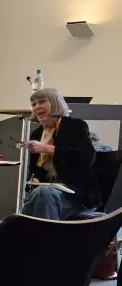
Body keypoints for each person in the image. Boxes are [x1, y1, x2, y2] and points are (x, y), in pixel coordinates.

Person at [21, 87, 100, 220]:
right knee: (35, 197)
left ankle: (42, 233)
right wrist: (35, 178)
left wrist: (47, 148)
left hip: (75, 194)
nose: (36, 107)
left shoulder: (75, 125)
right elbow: (35, 169)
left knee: (42, 195)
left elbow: (86, 157)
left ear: (55, 103)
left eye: (42, 102)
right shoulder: (37, 134)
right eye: (33, 104)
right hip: (48, 190)